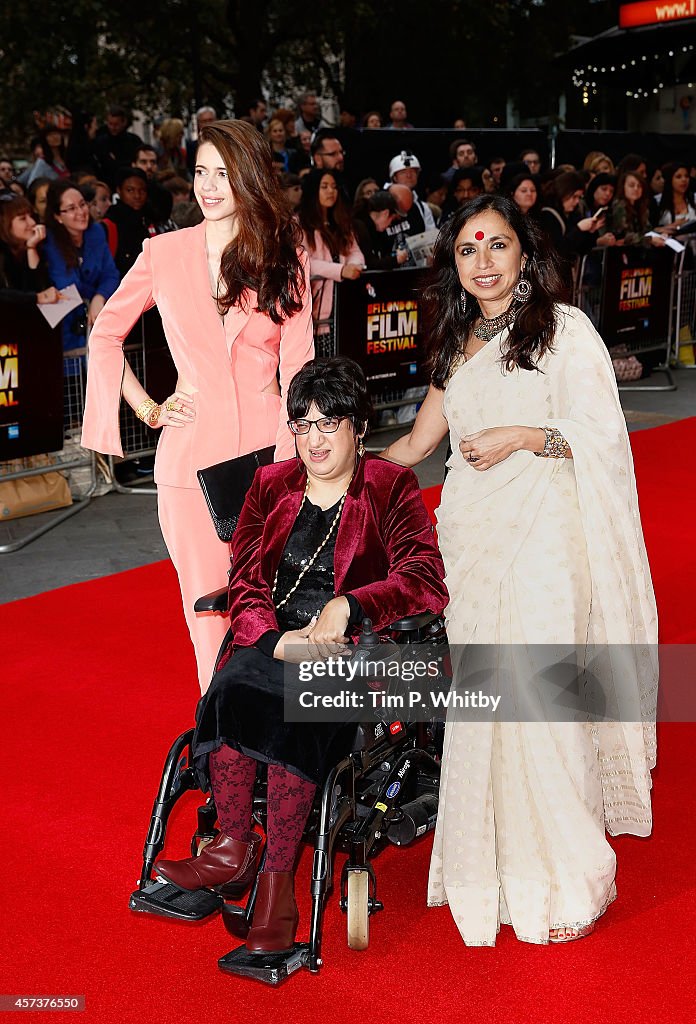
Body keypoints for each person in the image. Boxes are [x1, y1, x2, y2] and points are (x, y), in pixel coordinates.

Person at [380, 194, 657, 946]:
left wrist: (526, 435)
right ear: (455, 265)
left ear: (524, 254)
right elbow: (413, 448)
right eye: (468, 250)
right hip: (472, 541)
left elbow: (602, 441)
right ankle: (495, 868)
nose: (484, 262)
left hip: (545, 536)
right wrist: (325, 451)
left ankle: (569, 874)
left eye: (497, 245)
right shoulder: (454, 343)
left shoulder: (565, 333)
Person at [154, 355, 449, 954]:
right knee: (236, 683)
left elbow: (424, 579)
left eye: (329, 424)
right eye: (304, 423)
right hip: (279, 643)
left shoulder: (390, 488)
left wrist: (351, 606)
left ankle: (275, 892)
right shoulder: (272, 484)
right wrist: (271, 637)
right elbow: (244, 579)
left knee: (297, 710)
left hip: (355, 653)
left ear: (358, 428)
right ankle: (233, 849)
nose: (313, 439)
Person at [80, 120, 314, 692]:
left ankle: (278, 745)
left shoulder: (284, 256)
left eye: (224, 174)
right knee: (208, 616)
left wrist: (302, 458)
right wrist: (146, 407)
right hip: (191, 466)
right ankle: (224, 751)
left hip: (271, 459)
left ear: (250, 179)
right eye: (201, 172)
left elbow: (301, 370)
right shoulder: (164, 253)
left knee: (275, 611)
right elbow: (105, 334)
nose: (209, 187)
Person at [43, 180, 119, 353]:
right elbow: (67, 285)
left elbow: (111, 274)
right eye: (71, 208)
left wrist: (100, 296)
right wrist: (95, 294)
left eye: (82, 204)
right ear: (57, 216)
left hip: (95, 319)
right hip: (63, 323)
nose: (81, 212)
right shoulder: (50, 240)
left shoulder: (96, 232)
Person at [298, 168, 364, 333]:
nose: (331, 191)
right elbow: (302, 262)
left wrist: (354, 265)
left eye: (334, 187)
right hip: (314, 313)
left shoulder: (342, 222)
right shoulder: (298, 224)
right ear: (314, 190)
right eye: (325, 186)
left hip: (342, 305)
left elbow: (355, 251)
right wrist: (341, 270)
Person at [0, 195, 61, 305]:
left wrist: (31, 248)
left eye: (30, 216)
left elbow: (39, 288)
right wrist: (36, 298)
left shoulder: (31, 247)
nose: (32, 222)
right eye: (23, 218)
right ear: (4, 223)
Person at [604, 171, 665, 248]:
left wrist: (659, 234)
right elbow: (623, 236)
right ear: (623, 187)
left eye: (639, 186)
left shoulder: (641, 206)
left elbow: (646, 230)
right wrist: (649, 240)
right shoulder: (619, 206)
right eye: (631, 185)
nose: (636, 189)